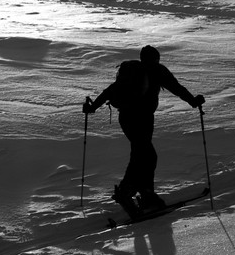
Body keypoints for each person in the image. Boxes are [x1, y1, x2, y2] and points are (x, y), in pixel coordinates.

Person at [84, 45, 205, 217]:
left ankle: (145, 193)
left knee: (142, 154)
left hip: (129, 118)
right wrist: (193, 101)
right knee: (145, 155)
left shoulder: (134, 70)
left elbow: (110, 90)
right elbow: (176, 88)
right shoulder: (157, 71)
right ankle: (128, 193)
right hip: (142, 118)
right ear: (156, 58)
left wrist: (92, 107)